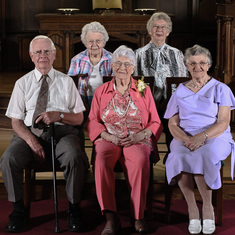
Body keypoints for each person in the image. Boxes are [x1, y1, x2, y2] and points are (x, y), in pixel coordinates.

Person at [0, 35, 89, 233]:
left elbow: (79, 119)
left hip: (62, 133)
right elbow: (15, 121)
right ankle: (18, 209)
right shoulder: (22, 83)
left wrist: (59, 115)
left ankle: (74, 208)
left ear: (54, 55)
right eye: (38, 52)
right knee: (8, 159)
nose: (43, 56)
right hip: (30, 133)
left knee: (74, 156)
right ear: (31, 56)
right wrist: (32, 141)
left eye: (47, 51)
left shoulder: (66, 82)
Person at [87, 45, 163, 235]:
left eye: (127, 64)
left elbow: (155, 121)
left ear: (133, 68)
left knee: (138, 161)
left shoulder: (143, 89)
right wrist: (107, 136)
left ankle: (138, 216)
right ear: (112, 66)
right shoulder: (101, 91)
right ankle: (111, 217)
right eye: (118, 63)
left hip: (137, 138)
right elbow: (93, 121)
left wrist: (140, 135)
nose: (122, 67)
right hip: (109, 137)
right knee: (102, 160)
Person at [164, 44, 235, 234]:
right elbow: (172, 124)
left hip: (215, 136)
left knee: (203, 154)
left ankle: (208, 208)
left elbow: (223, 122)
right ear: (187, 66)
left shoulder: (220, 89)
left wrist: (201, 137)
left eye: (202, 63)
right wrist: (186, 140)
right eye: (193, 63)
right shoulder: (179, 90)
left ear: (209, 65)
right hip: (185, 136)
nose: (198, 67)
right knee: (178, 155)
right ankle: (192, 208)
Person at [134, 12, 188, 151]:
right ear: (149, 30)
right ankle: (148, 158)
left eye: (163, 27)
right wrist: (149, 102)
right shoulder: (138, 54)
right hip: (146, 104)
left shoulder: (177, 54)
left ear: (168, 31)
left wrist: (171, 102)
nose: (159, 30)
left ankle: (172, 159)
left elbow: (181, 82)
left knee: (174, 129)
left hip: (171, 103)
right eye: (156, 26)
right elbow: (135, 82)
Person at [68, 21, 112, 107]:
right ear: (85, 42)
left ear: (104, 42)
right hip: (82, 105)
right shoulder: (77, 60)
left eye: (98, 41)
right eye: (90, 41)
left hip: (107, 105)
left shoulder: (113, 59)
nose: (94, 45)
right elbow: (69, 86)